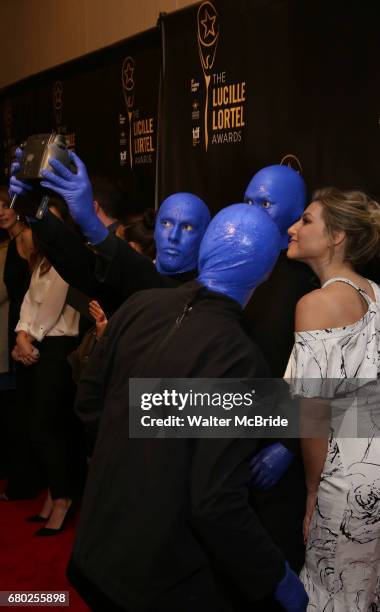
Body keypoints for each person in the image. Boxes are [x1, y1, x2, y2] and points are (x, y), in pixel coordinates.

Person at [69, 202, 307, 612]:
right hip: (157, 578)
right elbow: (215, 501)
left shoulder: (139, 306)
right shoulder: (238, 357)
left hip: (96, 548)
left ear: (203, 250)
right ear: (267, 272)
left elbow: (90, 404)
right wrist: (279, 578)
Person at [284, 187, 380, 611]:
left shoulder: (317, 305)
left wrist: (310, 491)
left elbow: (314, 414)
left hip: (345, 481)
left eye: (305, 220)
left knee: (335, 597)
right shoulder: (375, 293)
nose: (292, 228)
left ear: (337, 235)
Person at [9, 151, 210, 300]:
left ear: (205, 237)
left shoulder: (202, 294)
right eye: (166, 223)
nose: (173, 236)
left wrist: (91, 222)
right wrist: (36, 211)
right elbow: (81, 266)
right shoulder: (135, 275)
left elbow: (150, 282)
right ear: (156, 229)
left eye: (187, 228)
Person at [13, 197, 82, 535]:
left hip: (57, 347)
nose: (48, 226)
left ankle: (64, 498)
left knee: (46, 428)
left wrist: (29, 337)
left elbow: (53, 306)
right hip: (38, 344)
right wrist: (22, 335)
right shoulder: (41, 258)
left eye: (55, 219)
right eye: (44, 219)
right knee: (40, 426)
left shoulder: (70, 258)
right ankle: (55, 494)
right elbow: (29, 301)